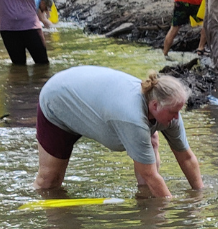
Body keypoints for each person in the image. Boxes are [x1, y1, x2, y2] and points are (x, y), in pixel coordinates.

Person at [34, 66, 203, 197]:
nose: (176, 118)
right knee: (49, 181)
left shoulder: (170, 108)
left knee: (150, 143)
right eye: (173, 113)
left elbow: (186, 157)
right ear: (155, 106)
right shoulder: (132, 118)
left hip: (94, 100)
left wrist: (199, 196)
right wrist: (170, 212)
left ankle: (146, 200)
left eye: (178, 111)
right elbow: (150, 174)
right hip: (60, 100)